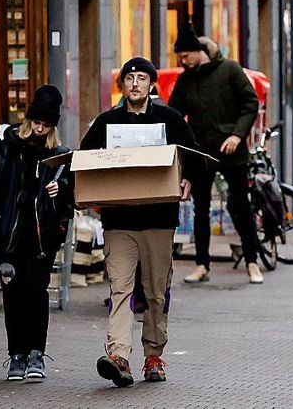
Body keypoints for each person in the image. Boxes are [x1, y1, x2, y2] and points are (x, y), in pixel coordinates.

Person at [80, 57, 198, 387]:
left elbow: (194, 156)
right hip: (118, 220)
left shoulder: (170, 120)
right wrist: (91, 193)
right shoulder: (106, 123)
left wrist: (188, 179)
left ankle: (153, 356)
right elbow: (85, 161)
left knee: (156, 293)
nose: (135, 83)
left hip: (159, 220)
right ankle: (118, 355)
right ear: (122, 86)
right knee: (120, 288)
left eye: (141, 78)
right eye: (129, 78)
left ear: (151, 85)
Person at [0, 85, 75, 382]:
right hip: (8, 236)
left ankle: (36, 353)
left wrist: (60, 188)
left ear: (53, 126)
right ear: (28, 119)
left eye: (46, 124)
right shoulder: (5, 147)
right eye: (36, 122)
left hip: (42, 237)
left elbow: (73, 198)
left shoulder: (59, 156)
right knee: (13, 295)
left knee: (36, 293)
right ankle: (17, 355)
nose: (39, 129)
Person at [169, 24, 265, 285]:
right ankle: (202, 264)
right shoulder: (185, 79)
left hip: (232, 149)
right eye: (180, 58)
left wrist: (237, 135)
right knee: (200, 208)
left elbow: (250, 103)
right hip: (202, 150)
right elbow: (174, 113)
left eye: (186, 56)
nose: (183, 61)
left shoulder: (230, 69)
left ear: (199, 51)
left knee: (241, 205)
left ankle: (252, 262)